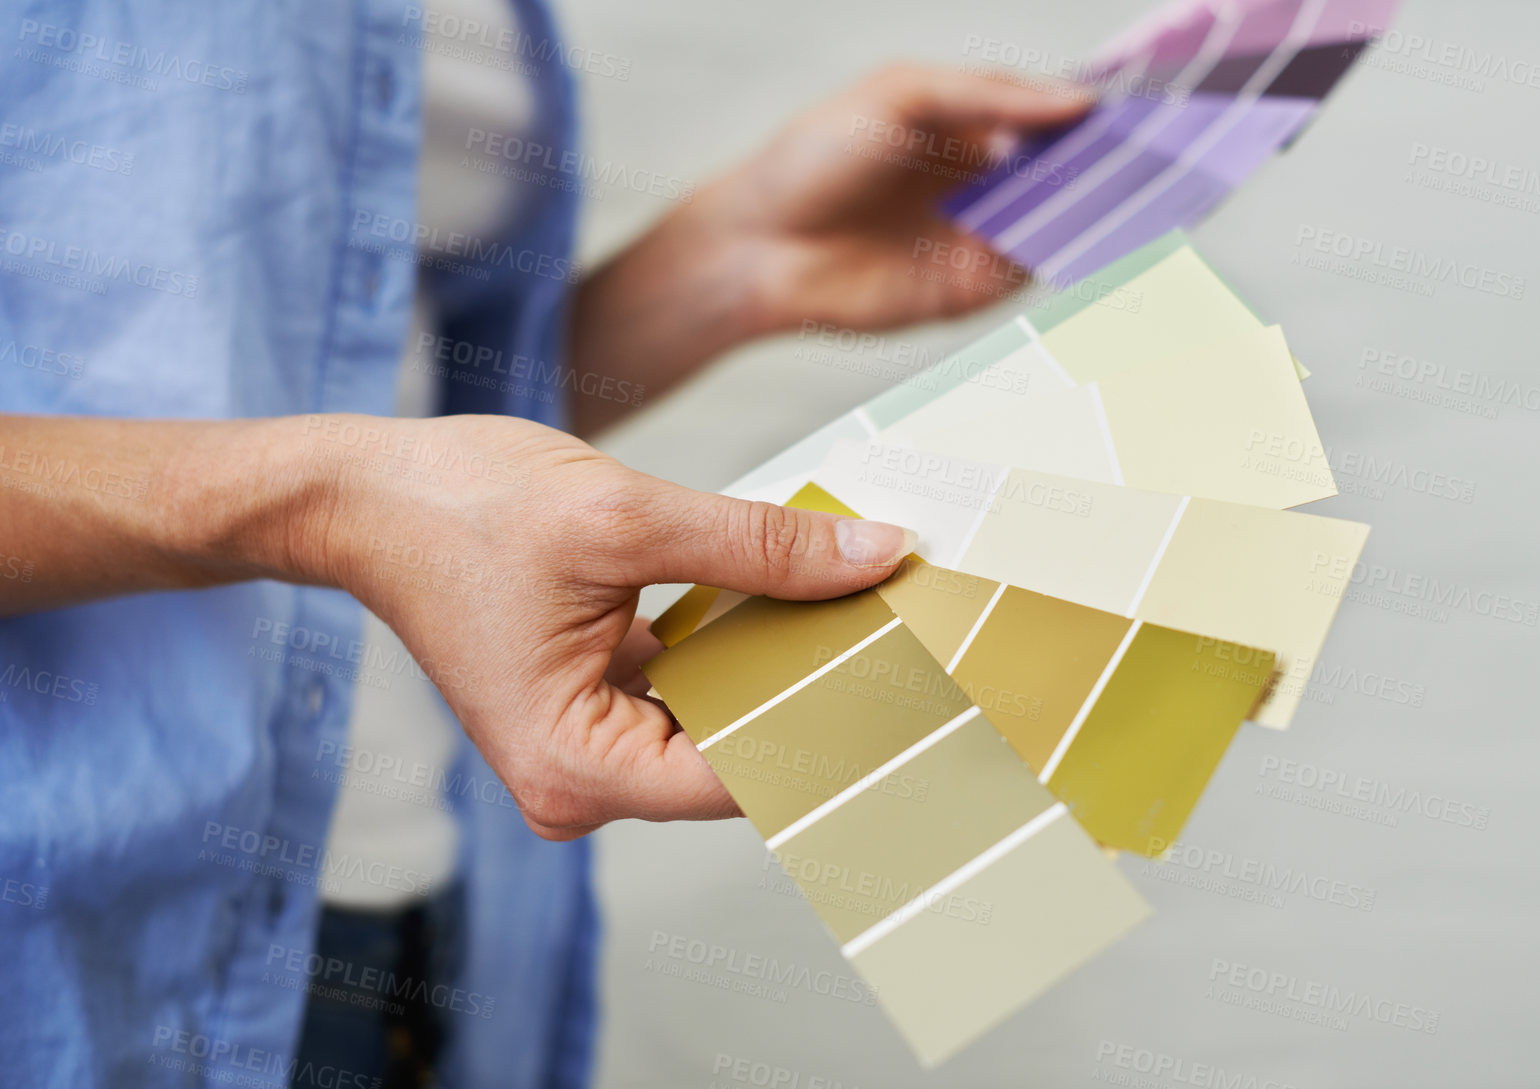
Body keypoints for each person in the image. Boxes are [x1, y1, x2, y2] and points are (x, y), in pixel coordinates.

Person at [0, 2, 1092, 1086]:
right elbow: (353, 481)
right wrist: (325, 505)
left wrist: (729, 268)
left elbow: (397, 411)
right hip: (78, 947)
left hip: (426, 923)